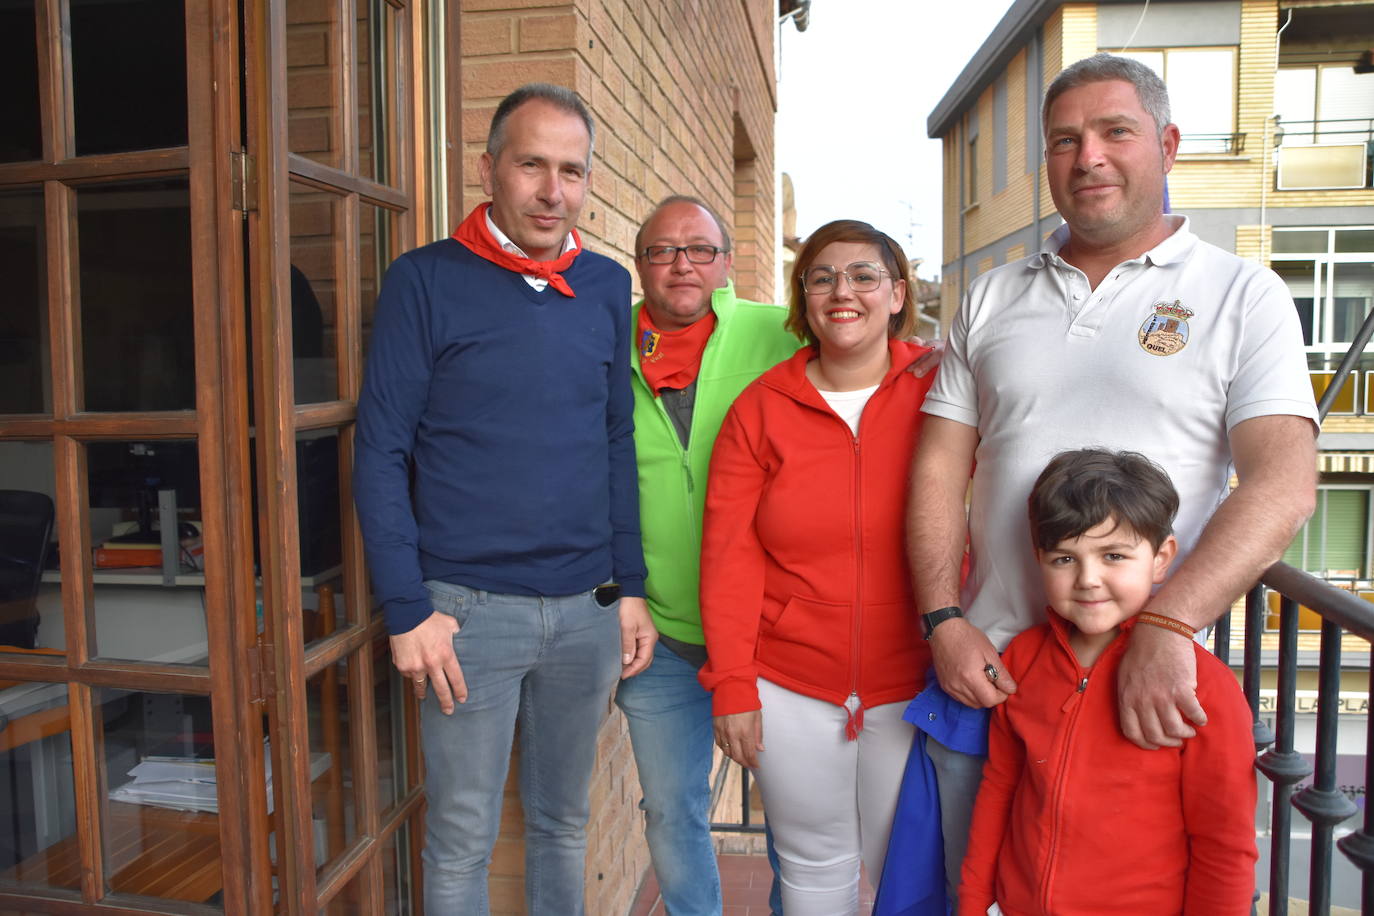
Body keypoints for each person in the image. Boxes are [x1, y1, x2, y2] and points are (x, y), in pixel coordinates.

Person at [906, 52, 1317, 899]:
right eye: (1064, 140)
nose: (1087, 155)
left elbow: (1282, 482)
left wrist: (1168, 628)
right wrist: (945, 620)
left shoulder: (1243, 295)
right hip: (985, 679)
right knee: (972, 890)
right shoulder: (988, 296)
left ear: (1166, 145)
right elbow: (940, 472)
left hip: (1140, 694)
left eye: (1114, 131)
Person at [353, 83, 656, 915]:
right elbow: (381, 449)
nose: (553, 191)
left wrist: (628, 588)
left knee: (561, 823)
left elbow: (614, 441)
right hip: (465, 617)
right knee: (460, 837)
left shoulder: (601, 285)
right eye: (532, 165)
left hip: (586, 611)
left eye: (572, 170)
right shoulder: (425, 280)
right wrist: (408, 608)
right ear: (489, 169)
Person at [699, 219, 937, 914]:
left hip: (917, 683)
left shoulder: (943, 393)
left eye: (864, 276)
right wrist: (734, 685)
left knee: (912, 876)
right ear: (802, 297)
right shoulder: (760, 410)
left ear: (897, 293)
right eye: (823, 277)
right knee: (812, 876)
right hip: (791, 687)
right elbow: (728, 560)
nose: (844, 292)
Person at [959, 448, 1258, 914]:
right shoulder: (1022, 658)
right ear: (1039, 559)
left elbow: (1224, 844)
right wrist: (974, 903)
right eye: (1064, 559)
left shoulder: (1202, 687)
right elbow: (999, 789)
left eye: (1113, 555)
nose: (1088, 579)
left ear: (1161, 560)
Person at [614, 195, 799, 915]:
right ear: (640, 267)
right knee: (672, 811)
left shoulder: (778, 331)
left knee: (792, 813)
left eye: (699, 249)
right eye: (661, 251)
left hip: (768, 631)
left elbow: (875, 359)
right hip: (659, 634)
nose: (680, 264)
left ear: (724, 263)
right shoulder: (610, 344)